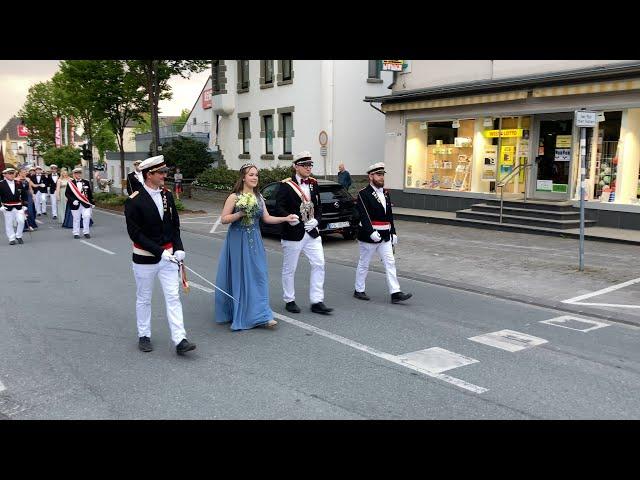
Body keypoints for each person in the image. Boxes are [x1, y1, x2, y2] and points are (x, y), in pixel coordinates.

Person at [124, 155, 196, 355]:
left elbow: (174, 226)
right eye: (161, 172)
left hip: (169, 256)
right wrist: (159, 251)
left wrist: (178, 247)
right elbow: (135, 233)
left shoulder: (167, 195)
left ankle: (180, 339)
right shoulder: (134, 201)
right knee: (144, 298)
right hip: (145, 258)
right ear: (149, 175)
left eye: (165, 171)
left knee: (173, 296)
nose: (165, 175)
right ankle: (144, 334)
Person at [215, 163, 299, 331]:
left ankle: (261, 314)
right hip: (237, 240)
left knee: (259, 275)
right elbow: (224, 219)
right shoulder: (235, 197)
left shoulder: (259, 197)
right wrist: (240, 213)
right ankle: (244, 312)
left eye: (256, 175)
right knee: (240, 276)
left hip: (255, 239)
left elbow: (267, 218)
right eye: (251, 174)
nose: (254, 177)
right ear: (243, 177)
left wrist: (285, 218)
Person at [275, 151, 333, 315]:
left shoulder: (314, 183)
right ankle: (289, 300)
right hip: (293, 232)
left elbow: (319, 206)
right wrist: (288, 217)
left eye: (310, 165)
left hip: (312, 232)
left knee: (319, 264)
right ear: (296, 166)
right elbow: (278, 206)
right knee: (290, 268)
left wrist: (317, 220)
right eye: (305, 165)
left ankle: (317, 301)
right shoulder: (286, 185)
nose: (308, 168)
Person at [354, 162, 412, 304]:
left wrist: (393, 232)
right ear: (371, 176)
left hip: (385, 235)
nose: (381, 178)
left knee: (390, 262)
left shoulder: (385, 193)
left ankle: (395, 292)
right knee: (364, 263)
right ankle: (359, 289)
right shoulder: (363, 193)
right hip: (369, 236)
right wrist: (371, 231)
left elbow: (389, 215)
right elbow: (364, 215)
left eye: (382, 175)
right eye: (378, 175)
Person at [0, 167, 28, 245]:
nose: (12, 175)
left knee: (21, 221)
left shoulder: (18, 183)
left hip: (19, 206)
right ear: (5, 175)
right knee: (9, 223)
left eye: (13, 173)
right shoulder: (1, 184)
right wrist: (0, 206)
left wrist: (25, 205)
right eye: (10, 173)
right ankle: (11, 238)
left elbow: (24, 194)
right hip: (7, 206)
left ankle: (19, 236)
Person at [65, 167, 95, 239]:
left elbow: (90, 194)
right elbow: (67, 194)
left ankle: (86, 232)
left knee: (87, 217)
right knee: (76, 219)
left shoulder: (86, 182)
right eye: (77, 173)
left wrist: (92, 202)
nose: (78, 174)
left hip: (85, 203)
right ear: (74, 174)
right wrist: (73, 200)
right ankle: (76, 233)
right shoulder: (71, 183)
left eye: (79, 173)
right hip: (75, 204)